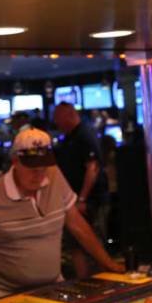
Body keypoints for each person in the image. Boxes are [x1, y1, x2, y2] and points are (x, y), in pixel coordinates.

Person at [0, 129, 123, 298]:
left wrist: (108, 263)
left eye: (43, 166)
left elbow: (77, 224)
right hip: (5, 292)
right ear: (15, 161)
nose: (39, 174)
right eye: (32, 167)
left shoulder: (54, 175)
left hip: (53, 286)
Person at [52, 103, 108, 278]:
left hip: (90, 201)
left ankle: (102, 286)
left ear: (69, 115)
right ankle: (84, 285)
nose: (55, 122)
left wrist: (82, 199)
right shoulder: (69, 137)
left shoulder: (84, 134)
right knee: (75, 245)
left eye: (57, 117)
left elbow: (93, 168)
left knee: (93, 245)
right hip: (74, 202)